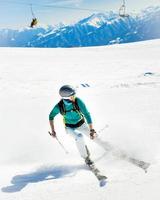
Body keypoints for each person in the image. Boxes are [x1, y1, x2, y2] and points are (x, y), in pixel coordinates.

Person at [49, 85, 97, 166]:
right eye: (72, 96)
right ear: (66, 98)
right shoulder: (59, 107)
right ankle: (86, 158)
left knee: (96, 137)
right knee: (79, 137)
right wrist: (53, 130)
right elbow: (51, 116)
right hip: (69, 127)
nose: (74, 97)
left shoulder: (78, 101)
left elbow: (86, 114)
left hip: (81, 124)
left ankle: (112, 149)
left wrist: (92, 130)